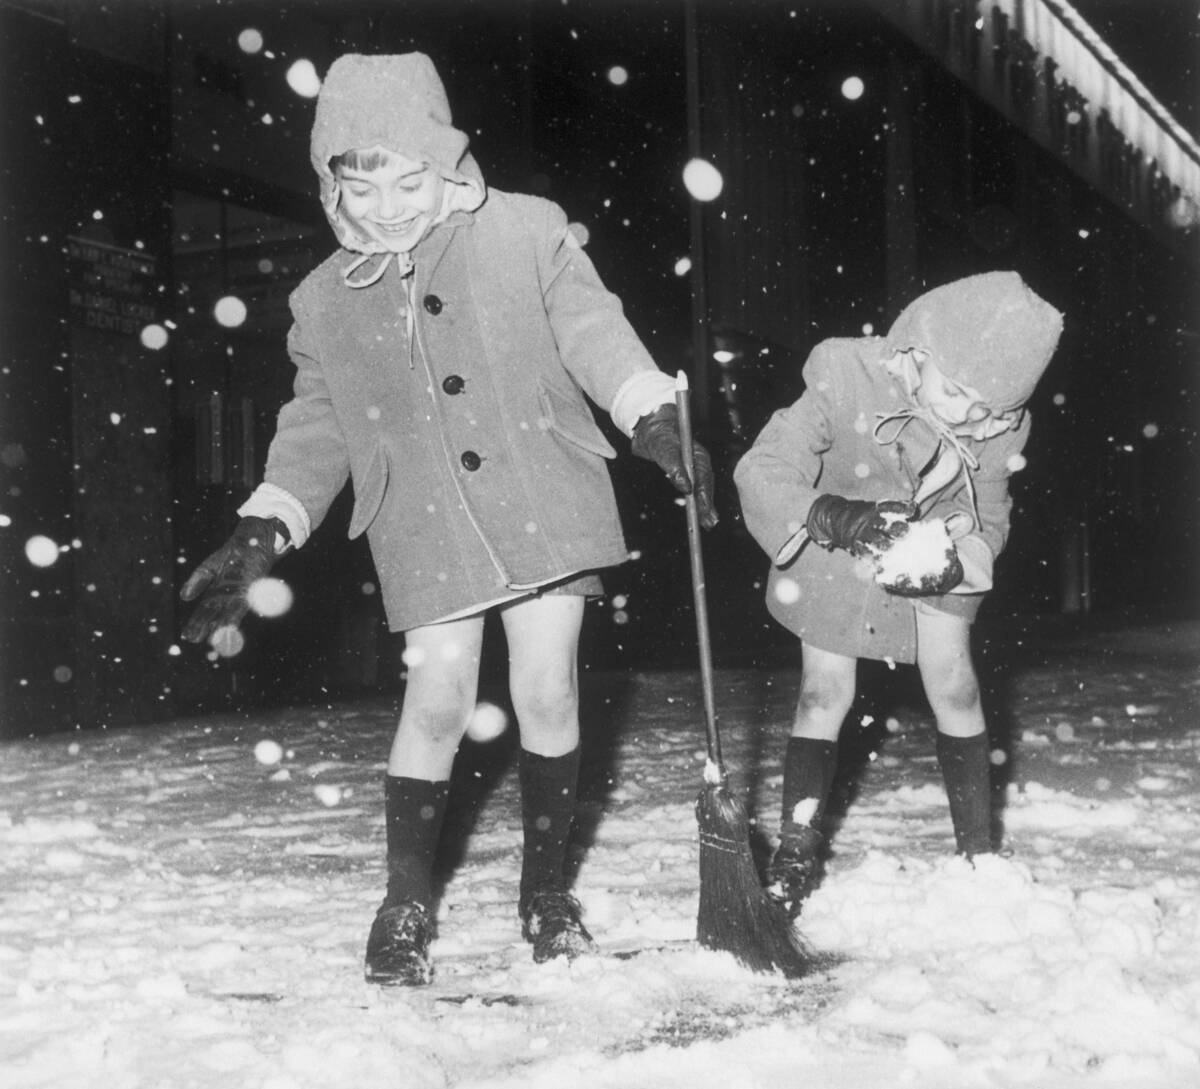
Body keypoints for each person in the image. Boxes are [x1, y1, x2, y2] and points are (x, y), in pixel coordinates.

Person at [179, 52, 716, 986]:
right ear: (331, 179)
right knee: (436, 700)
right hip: (423, 517)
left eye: (409, 177)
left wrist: (649, 412)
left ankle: (547, 894)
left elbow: (593, 328)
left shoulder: (525, 230)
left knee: (547, 691)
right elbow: (317, 427)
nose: (387, 203)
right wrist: (263, 529)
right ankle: (406, 901)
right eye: (362, 179)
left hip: (544, 491)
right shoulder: (321, 302)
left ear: (447, 162)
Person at [734, 272, 1062, 916]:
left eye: (989, 408)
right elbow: (764, 469)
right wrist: (831, 516)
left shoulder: (997, 425)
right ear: (918, 348)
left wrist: (952, 556)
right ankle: (795, 853)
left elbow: (990, 518)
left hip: (934, 556)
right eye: (959, 393)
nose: (970, 415)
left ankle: (976, 854)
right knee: (824, 691)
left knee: (956, 687)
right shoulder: (841, 372)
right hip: (840, 537)